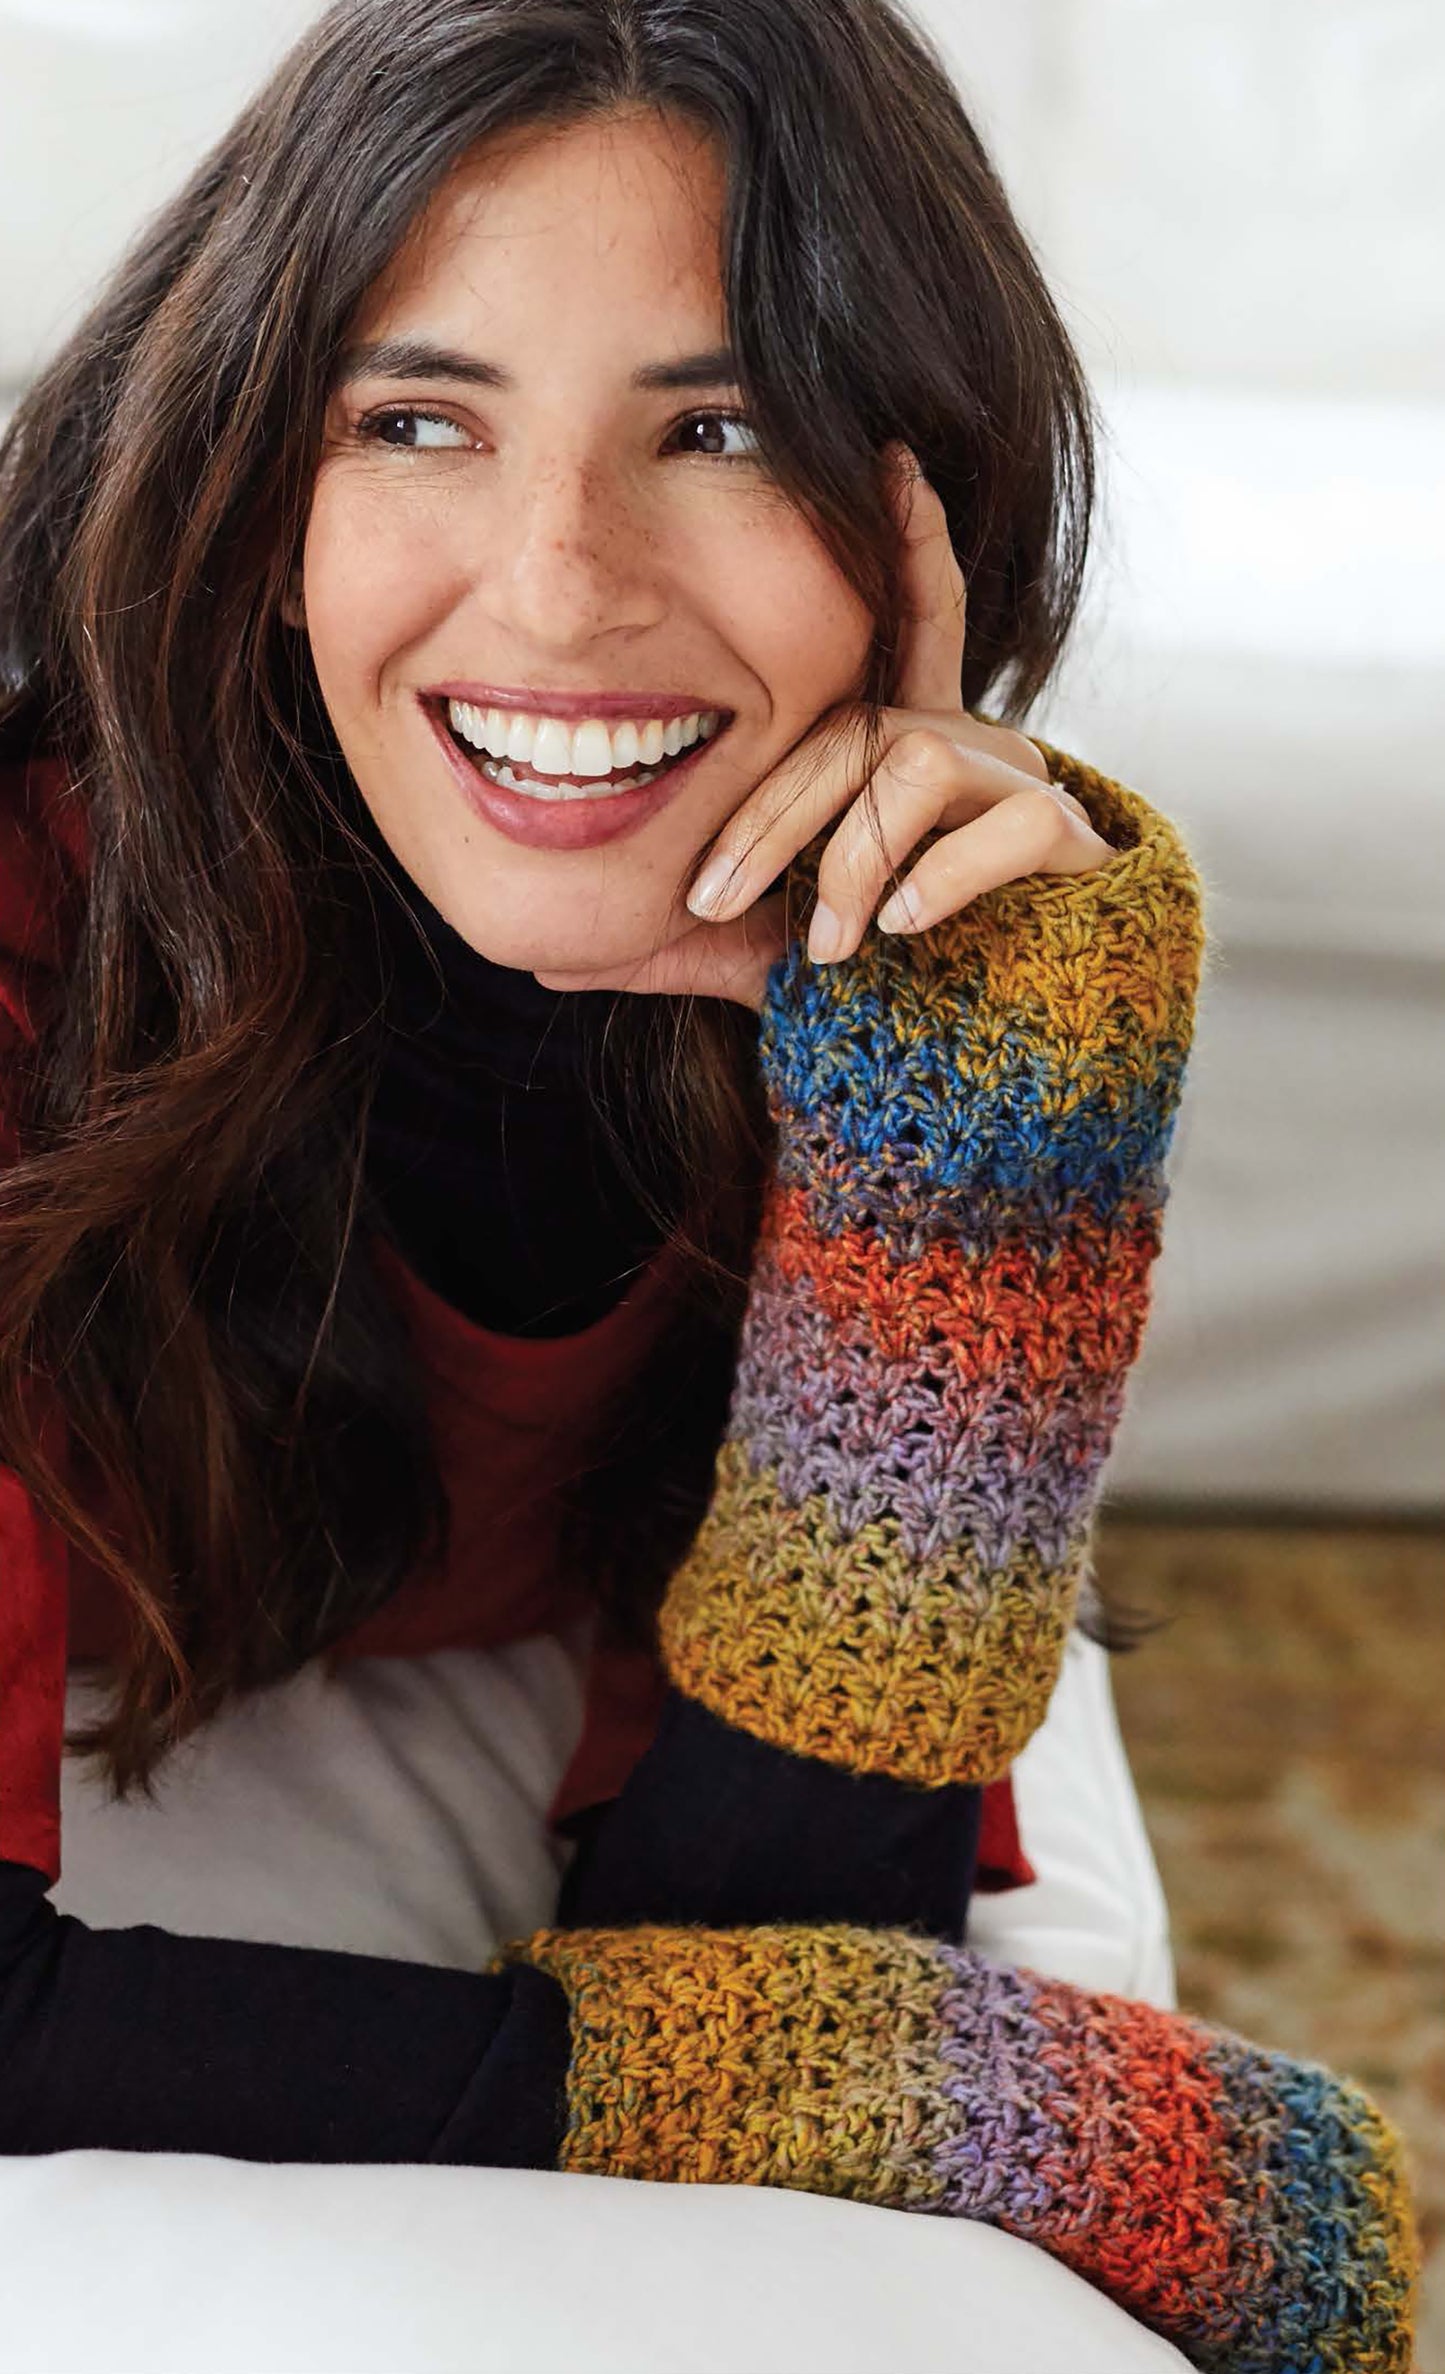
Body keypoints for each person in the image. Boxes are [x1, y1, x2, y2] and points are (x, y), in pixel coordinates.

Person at [0, 0, 1415, 2363]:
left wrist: (984, 1144)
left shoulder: (906, 969)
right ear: (261, 508)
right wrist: (953, 2107)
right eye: (416, 418)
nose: (561, 588)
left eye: (721, 426)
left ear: (916, 513)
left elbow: (770, 1931)